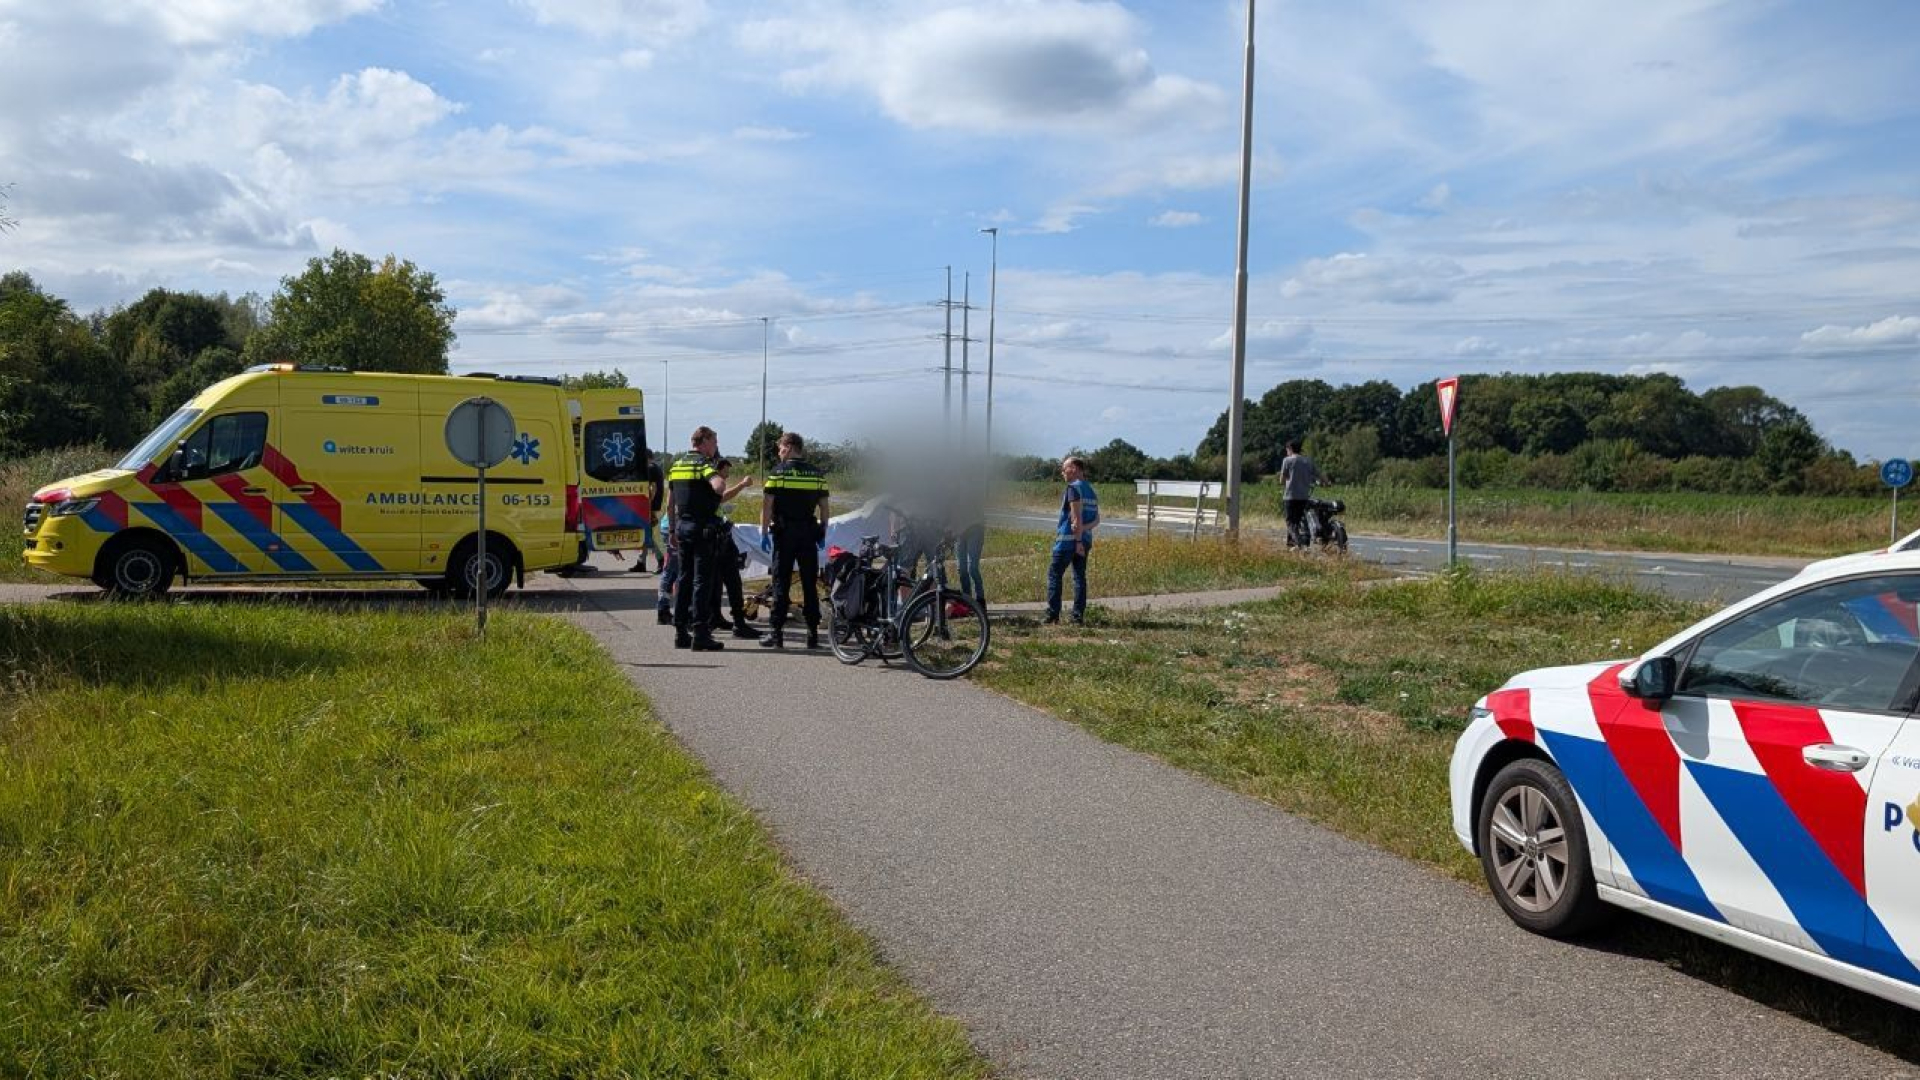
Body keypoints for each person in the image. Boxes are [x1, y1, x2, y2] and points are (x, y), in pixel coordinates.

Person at [667, 426, 751, 651]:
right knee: (701, 582)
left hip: (683, 527)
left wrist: (673, 530)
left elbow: (670, 502)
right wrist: (717, 482)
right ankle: (701, 633)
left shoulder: (676, 466)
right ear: (703, 442)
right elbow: (719, 486)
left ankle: (680, 632)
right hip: (702, 528)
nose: (715, 447)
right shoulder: (703, 464)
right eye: (714, 442)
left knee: (683, 579)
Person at [759, 432, 831, 649]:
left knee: (781, 582)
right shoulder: (817, 474)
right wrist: (822, 533)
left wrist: (763, 533)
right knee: (810, 583)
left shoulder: (778, 474)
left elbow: (767, 505)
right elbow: (825, 508)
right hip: (808, 533)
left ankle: (776, 633)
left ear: (789, 447)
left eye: (780, 448)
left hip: (785, 533)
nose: (779, 453)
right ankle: (812, 634)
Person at [707, 459, 760, 640]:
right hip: (718, 538)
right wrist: (742, 485)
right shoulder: (713, 485)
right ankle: (738, 623)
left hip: (710, 536)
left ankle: (714, 618)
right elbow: (722, 498)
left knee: (715, 580)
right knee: (732, 581)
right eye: (726, 471)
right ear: (718, 470)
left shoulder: (698, 482)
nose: (727, 475)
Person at [1044, 455, 1099, 625]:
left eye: (1064, 468)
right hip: (1085, 539)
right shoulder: (1091, 490)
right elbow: (1097, 520)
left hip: (1069, 542)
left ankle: (1053, 615)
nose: (1062, 472)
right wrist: (1083, 533)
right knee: (1079, 577)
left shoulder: (1073, 488)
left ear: (1074, 468)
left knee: (1054, 575)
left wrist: (1077, 541)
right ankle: (1077, 616)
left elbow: (1076, 517)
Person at [1279, 440, 1322, 549]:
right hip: (1303, 497)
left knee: (1290, 522)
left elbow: (1282, 480)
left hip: (1290, 496)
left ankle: (1298, 544)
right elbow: (1319, 474)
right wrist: (1327, 482)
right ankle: (1290, 546)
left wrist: (1287, 480)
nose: (1286, 452)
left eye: (1287, 449)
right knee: (1296, 522)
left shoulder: (1287, 460)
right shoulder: (1308, 461)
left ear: (1291, 449)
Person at [635, 450, 666, 573]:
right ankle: (641, 562)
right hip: (655, 506)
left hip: (652, 507)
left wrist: (648, 506)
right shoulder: (656, 468)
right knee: (646, 534)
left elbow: (653, 488)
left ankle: (663, 561)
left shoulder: (651, 469)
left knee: (654, 537)